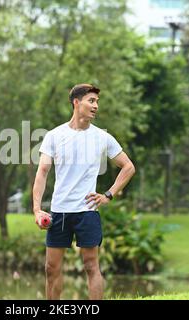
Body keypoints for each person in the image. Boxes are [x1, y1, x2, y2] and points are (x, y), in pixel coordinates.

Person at [32, 83, 136, 300]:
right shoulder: (54, 135)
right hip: (59, 212)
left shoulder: (102, 137)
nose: (96, 106)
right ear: (76, 102)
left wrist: (108, 194)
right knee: (51, 268)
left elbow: (128, 167)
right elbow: (42, 172)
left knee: (91, 267)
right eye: (91, 101)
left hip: (87, 212)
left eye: (97, 102)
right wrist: (37, 210)